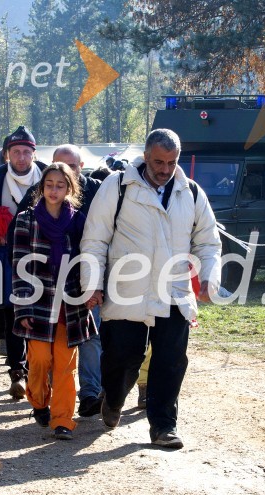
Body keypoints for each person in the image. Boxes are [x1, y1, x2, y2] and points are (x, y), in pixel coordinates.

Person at [81, 129, 222, 449]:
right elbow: (95, 240)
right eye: (158, 161)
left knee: (170, 360)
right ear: (146, 157)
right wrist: (92, 284)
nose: (164, 169)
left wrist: (210, 279)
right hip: (126, 292)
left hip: (174, 291)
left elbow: (209, 243)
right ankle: (113, 400)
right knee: (123, 359)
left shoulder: (192, 193)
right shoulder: (117, 187)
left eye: (171, 162)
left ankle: (163, 426)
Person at [11, 162, 96, 440]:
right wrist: (22, 307)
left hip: (70, 303)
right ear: (42, 187)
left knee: (65, 365)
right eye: (49, 185)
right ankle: (38, 401)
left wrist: (91, 290)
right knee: (38, 361)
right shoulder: (26, 219)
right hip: (37, 300)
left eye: (60, 185)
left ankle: (62, 420)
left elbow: (89, 259)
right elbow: (19, 264)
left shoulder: (79, 221)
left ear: (70, 188)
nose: (54, 190)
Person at [0, 126, 47, 398]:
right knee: (13, 308)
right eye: (16, 152)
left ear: (34, 153)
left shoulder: (48, 175)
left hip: (41, 255)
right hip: (5, 255)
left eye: (27, 152)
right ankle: (17, 369)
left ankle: (38, 368)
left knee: (37, 310)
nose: (22, 157)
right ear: (7, 154)